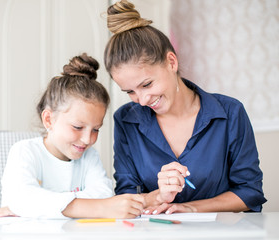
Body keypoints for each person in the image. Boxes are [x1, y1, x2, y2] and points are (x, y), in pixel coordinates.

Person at [103, 0, 266, 214]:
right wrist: (158, 196)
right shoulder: (126, 120)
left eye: (147, 84)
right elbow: (126, 196)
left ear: (171, 62)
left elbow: (249, 192)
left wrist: (190, 208)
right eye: (130, 92)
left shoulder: (230, 113)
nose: (142, 101)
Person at [0, 53, 144, 219]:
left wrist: (39, 208)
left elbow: (104, 195)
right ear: (48, 120)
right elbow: (22, 199)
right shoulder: (24, 151)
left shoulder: (89, 156)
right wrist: (97, 208)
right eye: (77, 127)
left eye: (96, 129)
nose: (87, 139)